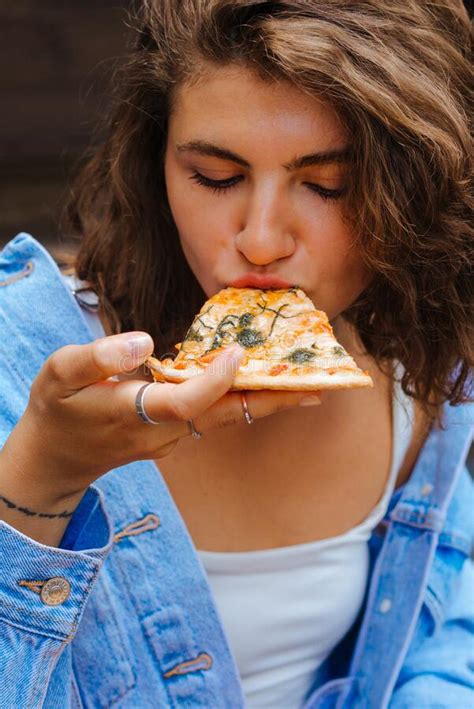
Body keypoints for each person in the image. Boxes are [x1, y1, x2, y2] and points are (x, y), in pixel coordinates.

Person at [0, 1, 472, 707]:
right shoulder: (26, 357)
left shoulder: (423, 383)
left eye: (327, 186)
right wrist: (41, 481)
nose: (259, 239)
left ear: (417, 194)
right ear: (157, 161)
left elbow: (439, 644)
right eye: (216, 176)